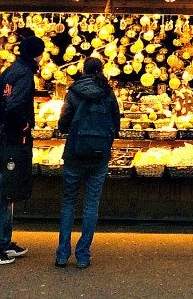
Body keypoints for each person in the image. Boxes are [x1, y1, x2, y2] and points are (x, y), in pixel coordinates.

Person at [0, 35, 45, 265]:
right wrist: (24, 125)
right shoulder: (25, 74)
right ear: (37, 54)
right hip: (9, 143)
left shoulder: (10, 71)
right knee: (2, 194)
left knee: (7, 193)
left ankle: (3, 243)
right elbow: (14, 106)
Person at [55, 57, 120, 268]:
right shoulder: (108, 93)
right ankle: (83, 255)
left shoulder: (73, 92)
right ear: (101, 70)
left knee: (68, 203)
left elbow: (63, 124)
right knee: (91, 204)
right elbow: (116, 124)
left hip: (74, 154)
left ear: (83, 71)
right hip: (99, 157)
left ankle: (62, 254)